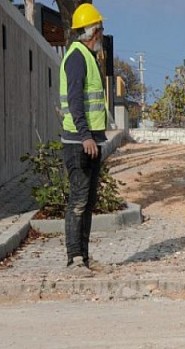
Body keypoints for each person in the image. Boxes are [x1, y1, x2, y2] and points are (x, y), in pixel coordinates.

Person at [60, 3, 108, 274]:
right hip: (79, 143)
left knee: (88, 203)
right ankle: (74, 259)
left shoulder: (88, 56)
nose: (101, 35)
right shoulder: (77, 57)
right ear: (93, 32)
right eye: (100, 29)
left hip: (90, 141)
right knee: (78, 202)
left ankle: (85, 258)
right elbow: (76, 101)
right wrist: (85, 136)